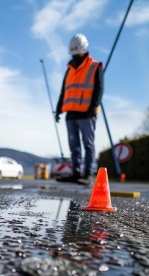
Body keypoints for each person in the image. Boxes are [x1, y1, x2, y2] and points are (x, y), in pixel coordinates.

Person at [55, 34, 103, 186]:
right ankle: (76, 174)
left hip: (87, 113)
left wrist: (94, 106)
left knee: (88, 144)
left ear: (84, 48)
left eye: (78, 52)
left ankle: (87, 174)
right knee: (74, 146)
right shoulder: (69, 70)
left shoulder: (95, 66)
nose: (76, 56)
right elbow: (64, 91)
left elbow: (99, 89)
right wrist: (58, 109)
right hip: (71, 113)